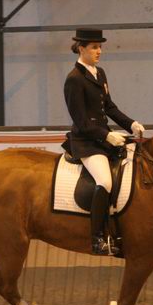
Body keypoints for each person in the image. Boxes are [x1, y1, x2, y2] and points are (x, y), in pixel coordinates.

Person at [62, 28, 145, 256]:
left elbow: (109, 107)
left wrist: (130, 124)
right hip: (86, 142)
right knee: (105, 182)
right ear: (81, 48)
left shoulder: (99, 73)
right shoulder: (74, 79)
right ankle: (97, 238)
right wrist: (107, 135)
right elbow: (81, 122)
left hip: (102, 138)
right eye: (94, 47)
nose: (99, 51)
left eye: (100, 47)